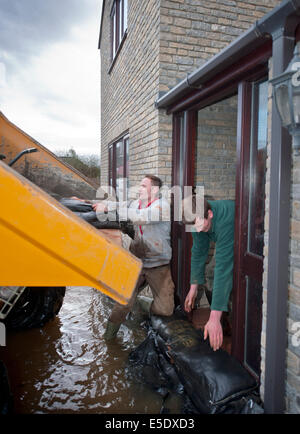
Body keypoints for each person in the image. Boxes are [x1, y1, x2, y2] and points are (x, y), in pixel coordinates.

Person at [93, 174, 175, 340]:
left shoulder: (162, 207)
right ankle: (108, 338)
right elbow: (120, 204)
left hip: (158, 264)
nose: (140, 189)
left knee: (166, 310)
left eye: (144, 186)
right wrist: (96, 204)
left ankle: (141, 303)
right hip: (136, 261)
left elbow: (142, 217)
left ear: (155, 190)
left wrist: (109, 210)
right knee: (123, 303)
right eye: (140, 185)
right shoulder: (137, 203)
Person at [182, 195, 235, 351]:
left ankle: (223, 320)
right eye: (193, 226)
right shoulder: (196, 219)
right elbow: (198, 253)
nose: (197, 230)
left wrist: (213, 317)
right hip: (227, 240)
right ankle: (223, 320)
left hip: (250, 238)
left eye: (199, 224)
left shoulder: (225, 218)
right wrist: (193, 288)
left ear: (210, 214)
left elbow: (223, 269)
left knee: (222, 274)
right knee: (210, 274)